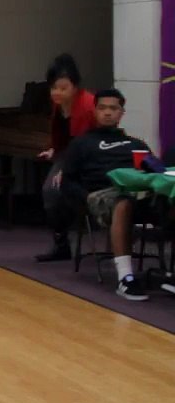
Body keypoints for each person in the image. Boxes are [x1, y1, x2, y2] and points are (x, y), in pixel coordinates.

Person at [59, 88, 151, 301]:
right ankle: (126, 278)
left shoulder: (136, 144)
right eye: (102, 108)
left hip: (141, 192)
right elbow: (68, 182)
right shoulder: (81, 144)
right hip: (103, 194)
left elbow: (155, 171)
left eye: (113, 108)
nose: (107, 113)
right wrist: (86, 199)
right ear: (94, 111)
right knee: (123, 201)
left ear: (121, 113)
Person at [35, 54, 96, 261]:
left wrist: (66, 169)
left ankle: (64, 238)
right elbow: (61, 134)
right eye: (53, 88)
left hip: (88, 155)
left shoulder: (87, 105)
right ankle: (61, 243)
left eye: (63, 88)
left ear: (75, 86)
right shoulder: (58, 104)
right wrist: (54, 149)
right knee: (51, 191)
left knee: (53, 190)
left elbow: (84, 143)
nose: (57, 93)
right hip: (69, 151)